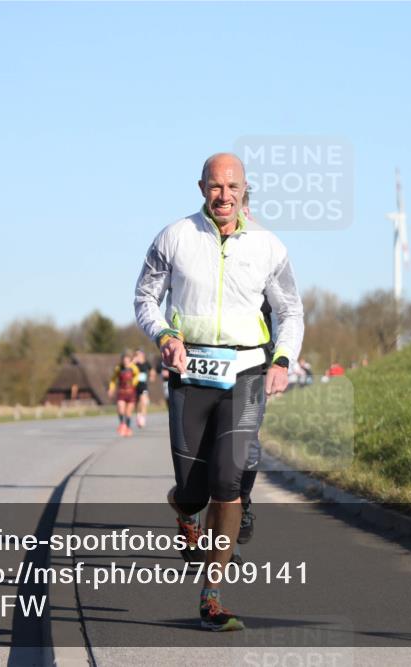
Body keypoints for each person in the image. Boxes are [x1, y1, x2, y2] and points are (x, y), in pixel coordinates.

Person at [134, 152, 303, 631]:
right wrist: (165, 336)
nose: (223, 196)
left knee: (228, 483)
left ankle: (212, 596)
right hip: (190, 372)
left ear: (245, 189)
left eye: (232, 187)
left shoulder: (269, 246)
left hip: (246, 369)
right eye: (214, 186)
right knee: (192, 490)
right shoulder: (175, 237)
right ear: (201, 187)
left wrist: (282, 358)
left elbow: (290, 312)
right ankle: (184, 512)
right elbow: (145, 297)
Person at [108, 351, 139, 437]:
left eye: (127, 360)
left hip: (131, 393)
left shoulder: (134, 368)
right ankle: (122, 424)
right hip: (121, 392)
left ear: (130, 360)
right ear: (122, 360)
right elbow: (113, 379)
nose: (125, 361)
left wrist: (134, 382)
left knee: (128, 412)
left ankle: (128, 428)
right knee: (120, 408)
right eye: (124, 360)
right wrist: (111, 388)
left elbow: (137, 376)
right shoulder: (118, 368)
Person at [133, 349, 153, 428]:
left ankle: (142, 419)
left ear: (142, 355)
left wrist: (152, 376)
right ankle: (138, 415)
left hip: (143, 385)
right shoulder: (134, 363)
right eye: (136, 354)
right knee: (138, 403)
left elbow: (151, 370)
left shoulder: (146, 363)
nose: (137, 356)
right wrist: (133, 361)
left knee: (144, 401)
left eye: (138, 354)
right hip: (135, 385)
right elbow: (128, 368)